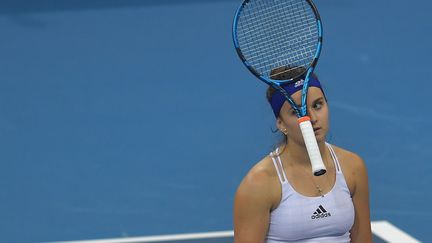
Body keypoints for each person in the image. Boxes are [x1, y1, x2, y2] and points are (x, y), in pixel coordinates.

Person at [233, 68, 372, 243]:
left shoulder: (352, 167)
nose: (312, 118)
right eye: (297, 112)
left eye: (317, 105)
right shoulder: (259, 184)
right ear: (281, 123)